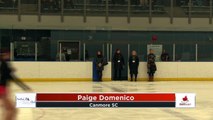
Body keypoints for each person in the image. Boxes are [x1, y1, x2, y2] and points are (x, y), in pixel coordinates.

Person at [0, 50, 32, 120]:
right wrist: (24, 87)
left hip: (3, 89)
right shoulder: (4, 65)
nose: (8, 55)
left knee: (8, 110)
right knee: (12, 110)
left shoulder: (4, 65)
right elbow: (13, 78)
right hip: (2, 89)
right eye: (6, 54)